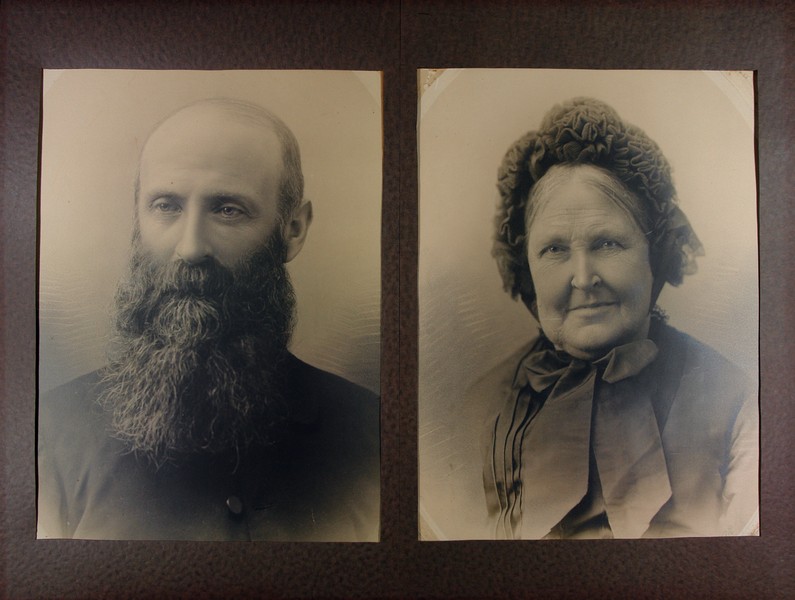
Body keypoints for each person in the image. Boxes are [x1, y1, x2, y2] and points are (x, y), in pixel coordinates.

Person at [37, 98, 380, 541]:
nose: (190, 247)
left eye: (227, 209)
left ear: (293, 230)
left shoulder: (371, 435)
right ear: (137, 217)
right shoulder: (48, 434)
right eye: (166, 206)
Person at [466, 97, 758, 539]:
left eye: (607, 244)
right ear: (526, 266)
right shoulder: (477, 411)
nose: (583, 278)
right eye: (555, 249)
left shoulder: (738, 403)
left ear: (654, 255)